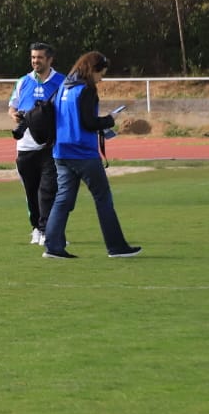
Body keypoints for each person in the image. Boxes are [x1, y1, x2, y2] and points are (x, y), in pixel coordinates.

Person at [43, 51, 141, 259]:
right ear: (93, 69)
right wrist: (110, 119)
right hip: (83, 153)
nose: (101, 78)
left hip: (61, 150)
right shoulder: (86, 89)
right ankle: (116, 247)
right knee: (103, 198)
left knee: (63, 198)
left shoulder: (63, 86)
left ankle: (53, 246)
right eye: (101, 74)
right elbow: (88, 123)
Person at [8, 41, 62, 246]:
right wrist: (16, 116)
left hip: (50, 146)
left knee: (48, 190)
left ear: (49, 59)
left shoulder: (62, 82)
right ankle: (36, 228)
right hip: (25, 146)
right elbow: (11, 107)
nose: (35, 61)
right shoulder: (23, 81)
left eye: (39, 58)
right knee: (31, 191)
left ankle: (47, 228)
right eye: (32, 58)